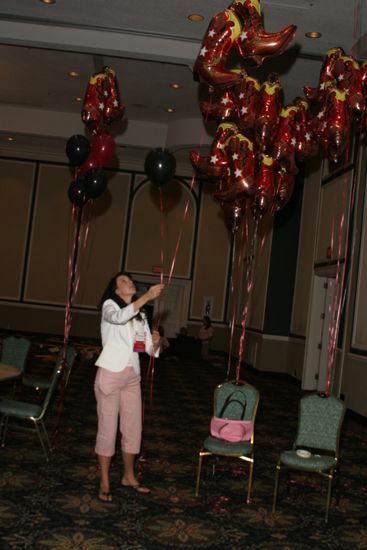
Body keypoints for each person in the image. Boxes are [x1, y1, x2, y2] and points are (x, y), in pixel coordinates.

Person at [94, 272, 164, 502]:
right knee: (108, 428)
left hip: (132, 376)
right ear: (115, 290)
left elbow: (146, 351)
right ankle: (104, 480)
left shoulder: (140, 316)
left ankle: (128, 476)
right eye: (124, 281)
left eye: (130, 280)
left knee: (133, 428)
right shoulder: (109, 306)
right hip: (110, 374)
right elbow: (119, 318)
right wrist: (147, 296)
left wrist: (156, 342)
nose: (130, 282)